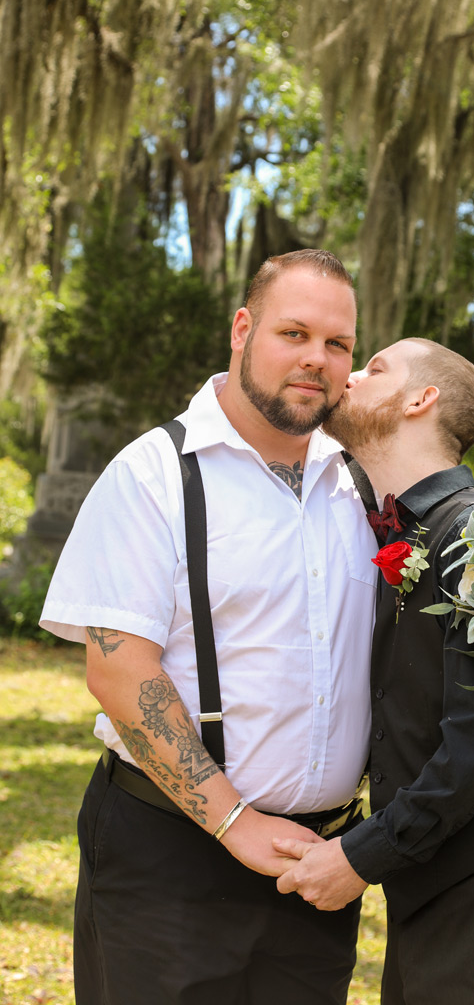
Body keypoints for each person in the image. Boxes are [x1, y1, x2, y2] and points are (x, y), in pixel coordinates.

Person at [39, 249, 379, 1005]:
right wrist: (234, 822)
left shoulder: (361, 486)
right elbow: (119, 671)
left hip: (319, 869)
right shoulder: (154, 472)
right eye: (294, 333)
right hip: (167, 861)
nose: (316, 359)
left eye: (338, 344)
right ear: (242, 329)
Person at [274, 337, 474, 1005]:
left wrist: (361, 856)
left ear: (421, 399)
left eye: (375, 367)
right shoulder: (398, 532)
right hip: (432, 894)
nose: (349, 376)